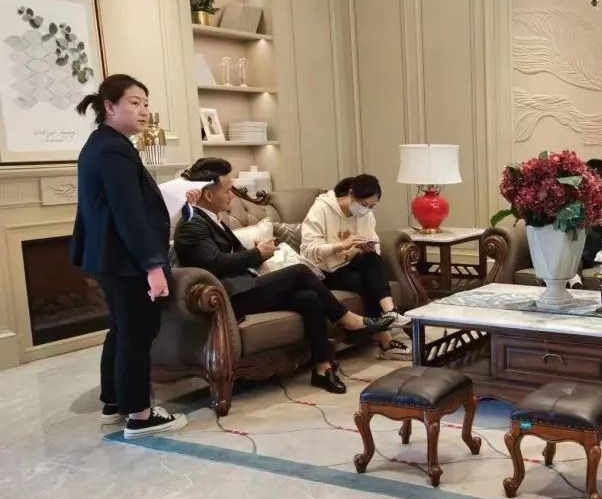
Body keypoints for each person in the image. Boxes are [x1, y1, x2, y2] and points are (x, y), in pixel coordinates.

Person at [173, 158, 393, 394]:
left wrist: (257, 253)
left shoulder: (212, 219)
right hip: (228, 299)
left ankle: (322, 368)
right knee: (300, 272)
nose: (232, 196)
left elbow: (228, 256)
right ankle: (348, 319)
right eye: (228, 191)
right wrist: (256, 254)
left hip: (244, 286)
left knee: (309, 298)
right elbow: (214, 263)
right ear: (208, 195)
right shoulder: (192, 224)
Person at [71, 74, 188, 439]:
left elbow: (124, 205)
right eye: (135, 103)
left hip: (110, 257)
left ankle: (114, 403)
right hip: (126, 260)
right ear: (110, 106)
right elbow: (129, 213)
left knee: (122, 330)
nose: (143, 111)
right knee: (137, 334)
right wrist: (153, 265)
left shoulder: (101, 144)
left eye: (146, 103)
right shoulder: (114, 150)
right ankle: (139, 416)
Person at [300, 175, 411, 361]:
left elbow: (373, 244)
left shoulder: (366, 214)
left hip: (350, 263)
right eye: (364, 205)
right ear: (351, 194)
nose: (366, 210)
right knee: (364, 282)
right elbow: (309, 251)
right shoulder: (321, 209)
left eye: (372, 207)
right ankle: (386, 341)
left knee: (373, 259)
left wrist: (362, 249)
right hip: (324, 271)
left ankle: (391, 312)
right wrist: (341, 246)